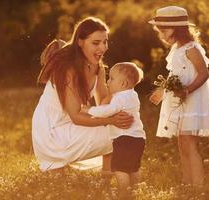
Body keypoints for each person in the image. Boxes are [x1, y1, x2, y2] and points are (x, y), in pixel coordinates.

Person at [32, 17, 133, 172]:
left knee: (119, 130)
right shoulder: (68, 70)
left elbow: (104, 104)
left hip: (70, 126)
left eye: (105, 42)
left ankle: (105, 183)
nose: (103, 47)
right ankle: (58, 161)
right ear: (80, 42)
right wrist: (111, 120)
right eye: (95, 43)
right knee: (114, 131)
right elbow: (76, 117)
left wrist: (119, 94)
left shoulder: (97, 68)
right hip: (52, 131)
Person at [149, 6, 209, 185]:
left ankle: (198, 186)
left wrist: (187, 90)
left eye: (164, 31)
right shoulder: (177, 49)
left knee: (189, 143)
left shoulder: (191, 48)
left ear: (177, 29)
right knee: (182, 144)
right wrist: (163, 91)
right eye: (159, 31)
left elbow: (203, 74)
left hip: (191, 100)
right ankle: (187, 181)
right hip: (181, 101)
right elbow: (175, 76)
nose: (161, 35)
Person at [81, 62, 145, 198]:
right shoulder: (133, 95)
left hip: (124, 138)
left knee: (119, 169)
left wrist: (89, 110)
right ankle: (135, 191)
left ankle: (123, 193)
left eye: (111, 79)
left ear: (123, 84)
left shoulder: (120, 97)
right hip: (138, 139)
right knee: (133, 168)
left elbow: (108, 110)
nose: (108, 82)